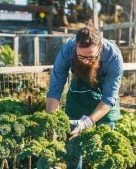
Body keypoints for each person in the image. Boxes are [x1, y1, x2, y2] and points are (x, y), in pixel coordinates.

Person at [46, 22, 123, 169]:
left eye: (91, 57)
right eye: (81, 57)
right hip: (79, 92)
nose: (86, 61)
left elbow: (109, 97)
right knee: (73, 146)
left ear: (100, 48)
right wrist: (52, 122)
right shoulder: (67, 50)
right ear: (75, 47)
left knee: (105, 149)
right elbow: (54, 90)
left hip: (104, 99)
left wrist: (87, 122)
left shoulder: (113, 55)